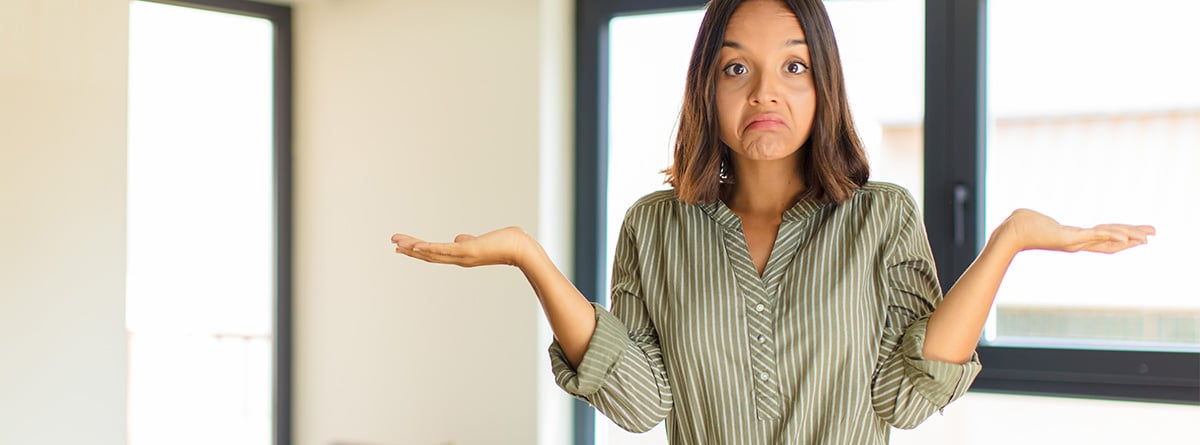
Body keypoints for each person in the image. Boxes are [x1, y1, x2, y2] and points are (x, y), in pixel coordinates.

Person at [391, 0, 1155, 443]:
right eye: (736, 68)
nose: (765, 92)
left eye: (793, 66)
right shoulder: (654, 227)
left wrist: (1009, 240)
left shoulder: (879, 217)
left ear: (822, 84)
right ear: (707, 88)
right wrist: (531, 257)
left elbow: (909, 394)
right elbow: (640, 400)